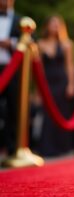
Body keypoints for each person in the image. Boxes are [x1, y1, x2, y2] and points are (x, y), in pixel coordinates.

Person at [37, 15, 74, 156]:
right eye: (52, 23)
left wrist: (71, 84)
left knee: (61, 113)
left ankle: (62, 148)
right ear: (47, 26)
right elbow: (39, 67)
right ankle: (47, 148)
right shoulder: (40, 44)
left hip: (62, 82)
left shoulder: (67, 44)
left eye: (57, 23)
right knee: (47, 114)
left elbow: (70, 66)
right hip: (47, 83)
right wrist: (38, 88)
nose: (55, 26)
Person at [0, 0, 21, 155]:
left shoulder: (21, 21)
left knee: (13, 108)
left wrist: (12, 43)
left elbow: (30, 43)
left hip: (12, 70)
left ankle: (11, 147)